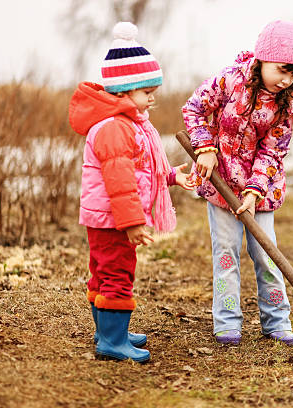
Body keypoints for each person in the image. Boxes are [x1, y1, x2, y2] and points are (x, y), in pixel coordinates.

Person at [69, 22, 194, 362]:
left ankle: (109, 331)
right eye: (147, 91)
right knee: (116, 276)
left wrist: (168, 176)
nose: (153, 97)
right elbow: (119, 182)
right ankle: (111, 341)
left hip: (108, 216)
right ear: (124, 92)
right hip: (113, 219)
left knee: (104, 273)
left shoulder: (126, 123)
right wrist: (132, 223)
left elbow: (137, 171)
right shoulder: (114, 127)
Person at [182, 20, 293, 346]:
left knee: (266, 255)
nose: (288, 79)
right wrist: (206, 148)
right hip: (220, 183)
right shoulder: (229, 81)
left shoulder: (287, 104)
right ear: (264, 57)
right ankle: (227, 322)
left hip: (261, 192)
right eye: (284, 69)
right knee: (226, 254)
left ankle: (277, 322)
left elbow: (273, 152)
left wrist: (254, 191)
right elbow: (194, 108)